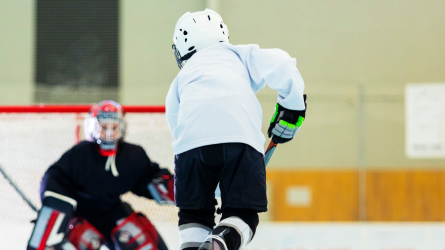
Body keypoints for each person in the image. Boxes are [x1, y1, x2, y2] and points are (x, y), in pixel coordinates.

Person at [166, 9, 307, 250]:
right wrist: (292, 109)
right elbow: (283, 64)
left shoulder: (181, 80)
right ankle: (218, 245)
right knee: (243, 215)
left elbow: (176, 126)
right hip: (239, 140)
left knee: (194, 216)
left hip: (189, 149)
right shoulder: (239, 54)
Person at [27, 100, 174, 250]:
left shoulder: (132, 155)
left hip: (112, 211)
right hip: (80, 213)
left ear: (122, 127)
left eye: (114, 127)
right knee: (82, 241)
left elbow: (147, 177)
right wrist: (59, 211)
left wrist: (174, 188)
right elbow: (55, 178)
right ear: (93, 127)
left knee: (138, 237)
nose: (109, 132)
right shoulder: (80, 154)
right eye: (103, 127)